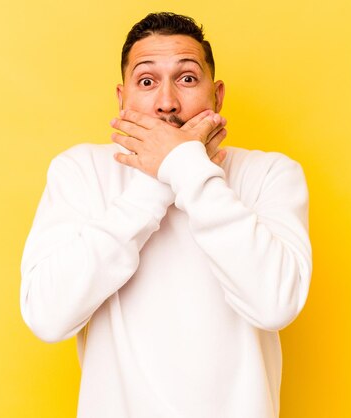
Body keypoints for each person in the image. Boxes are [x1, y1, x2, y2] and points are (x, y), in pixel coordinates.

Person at [20, 12, 312, 418]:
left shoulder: (271, 174)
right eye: (147, 81)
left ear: (218, 95)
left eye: (188, 78)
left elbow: (274, 304)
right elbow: (48, 316)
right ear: (122, 99)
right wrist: (159, 181)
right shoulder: (81, 171)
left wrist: (187, 169)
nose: (167, 101)